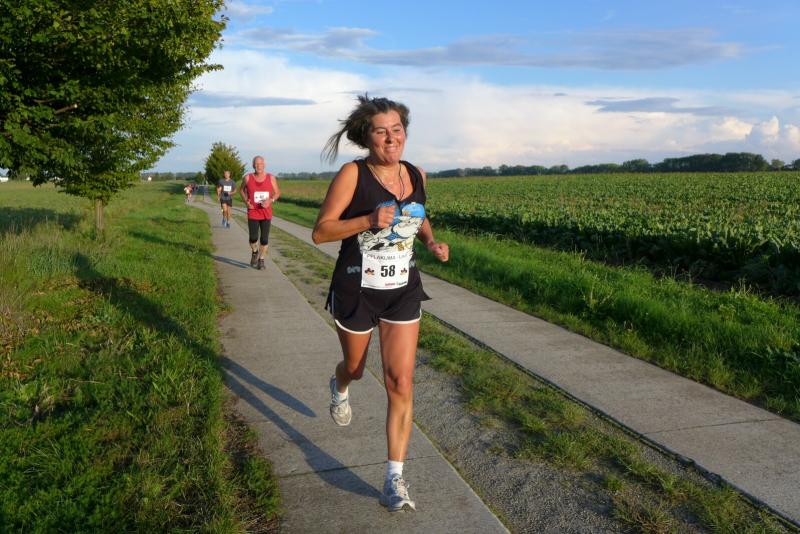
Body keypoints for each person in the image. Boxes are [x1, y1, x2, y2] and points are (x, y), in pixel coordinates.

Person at [312, 95, 449, 512]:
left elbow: (417, 214)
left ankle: (394, 479)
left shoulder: (416, 173)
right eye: (381, 131)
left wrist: (430, 240)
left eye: (397, 130)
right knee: (356, 367)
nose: (391, 138)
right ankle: (340, 384)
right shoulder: (353, 175)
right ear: (366, 137)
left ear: (405, 132)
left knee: (400, 382)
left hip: (403, 289)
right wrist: (368, 220)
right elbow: (321, 232)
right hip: (357, 288)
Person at [240, 156, 280, 270]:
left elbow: (277, 192)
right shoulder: (247, 178)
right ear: (253, 165)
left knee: (264, 239)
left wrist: (270, 200)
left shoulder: (271, 178)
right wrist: (246, 202)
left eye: (261, 163)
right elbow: (241, 190)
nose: (259, 166)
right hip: (253, 211)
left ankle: (261, 260)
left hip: (266, 213)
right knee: (253, 238)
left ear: (264, 165)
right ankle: (255, 251)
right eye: (256, 164)